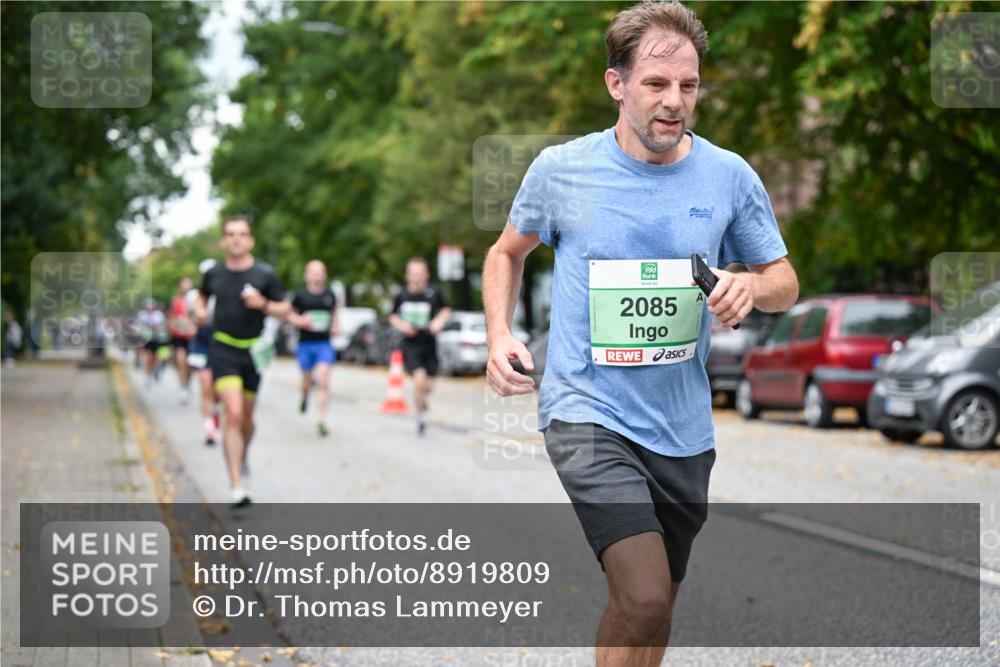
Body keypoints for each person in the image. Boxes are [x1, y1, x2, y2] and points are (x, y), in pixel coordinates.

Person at [482, 2, 799, 664]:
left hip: (683, 429)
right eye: (656, 84)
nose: (674, 101)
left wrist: (751, 287)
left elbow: (784, 280)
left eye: (688, 85)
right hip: (586, 411)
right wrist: (497, 333)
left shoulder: (728, 176)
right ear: (617, 84)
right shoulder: (562, 170)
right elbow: (506, 253)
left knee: (652, 610)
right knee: (647, 595)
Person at [196, 216, 290, 507]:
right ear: (224, 240)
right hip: (223, 348)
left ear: (250, 240)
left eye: (242, 234)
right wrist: (200, 312)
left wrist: (263, 304)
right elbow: (201, 298)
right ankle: (237, 483)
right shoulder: (214, 273)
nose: (236, 239)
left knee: (247, 419)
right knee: (233, 414)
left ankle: (243, 454)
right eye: (231, 234)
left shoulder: (265, 274)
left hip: (253, 352)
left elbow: (285, 308)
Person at [388, 258, 452, 436]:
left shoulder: (434, 293)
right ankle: (421, 416)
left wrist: (438, 322)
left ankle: (422, 405)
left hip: (430, 344)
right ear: (407, 276)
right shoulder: (401, 295)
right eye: (413, 273)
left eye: (420, 273)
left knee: (427, 387)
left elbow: (446, 309)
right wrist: (402, 326)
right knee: (419, 380)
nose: (417, 277)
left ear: (427, 275)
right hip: (410, 345)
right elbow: (392, 316)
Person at [289, 260, 340, 437]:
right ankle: (304, 396)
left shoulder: (330, 294)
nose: (317, 275)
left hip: (323, 344)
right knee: (307, 382)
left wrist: (335, 325)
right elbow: (290, 314)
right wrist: (300, 321)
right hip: (305, 344)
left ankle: (321, 420)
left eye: (320, 272)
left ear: (324, 274)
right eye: (313, 272)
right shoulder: (300, 295)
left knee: (324, 380)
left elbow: (334, 312)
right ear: (307, 275)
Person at [187, 260, 220, 446]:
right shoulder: (193, 296)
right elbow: (187, 318)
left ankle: (215, 409)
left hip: (220, 343)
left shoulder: (224, 292)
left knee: (218, 390)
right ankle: (209, 429)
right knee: (205, 384)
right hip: (201, 343)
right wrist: (191, 326)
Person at [168, 277, 196, 404]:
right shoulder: (176, 300)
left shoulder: (196, 299)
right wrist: (172, 325)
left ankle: (187, 383)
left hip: (192, 336)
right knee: (180, 361)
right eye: (183, 283)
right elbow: (172, 316)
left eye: (188, 283)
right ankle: (183, 386)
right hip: (179, 336)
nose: (185, 286)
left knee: (189, 365)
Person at [137, 300, 169, 388]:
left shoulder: (159, 315)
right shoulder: (142, 315)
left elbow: (160, 326)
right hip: (148, 340)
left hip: (159, 340)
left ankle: (157, 370)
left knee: (161, 358)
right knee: (149, 359)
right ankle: (148, 376)